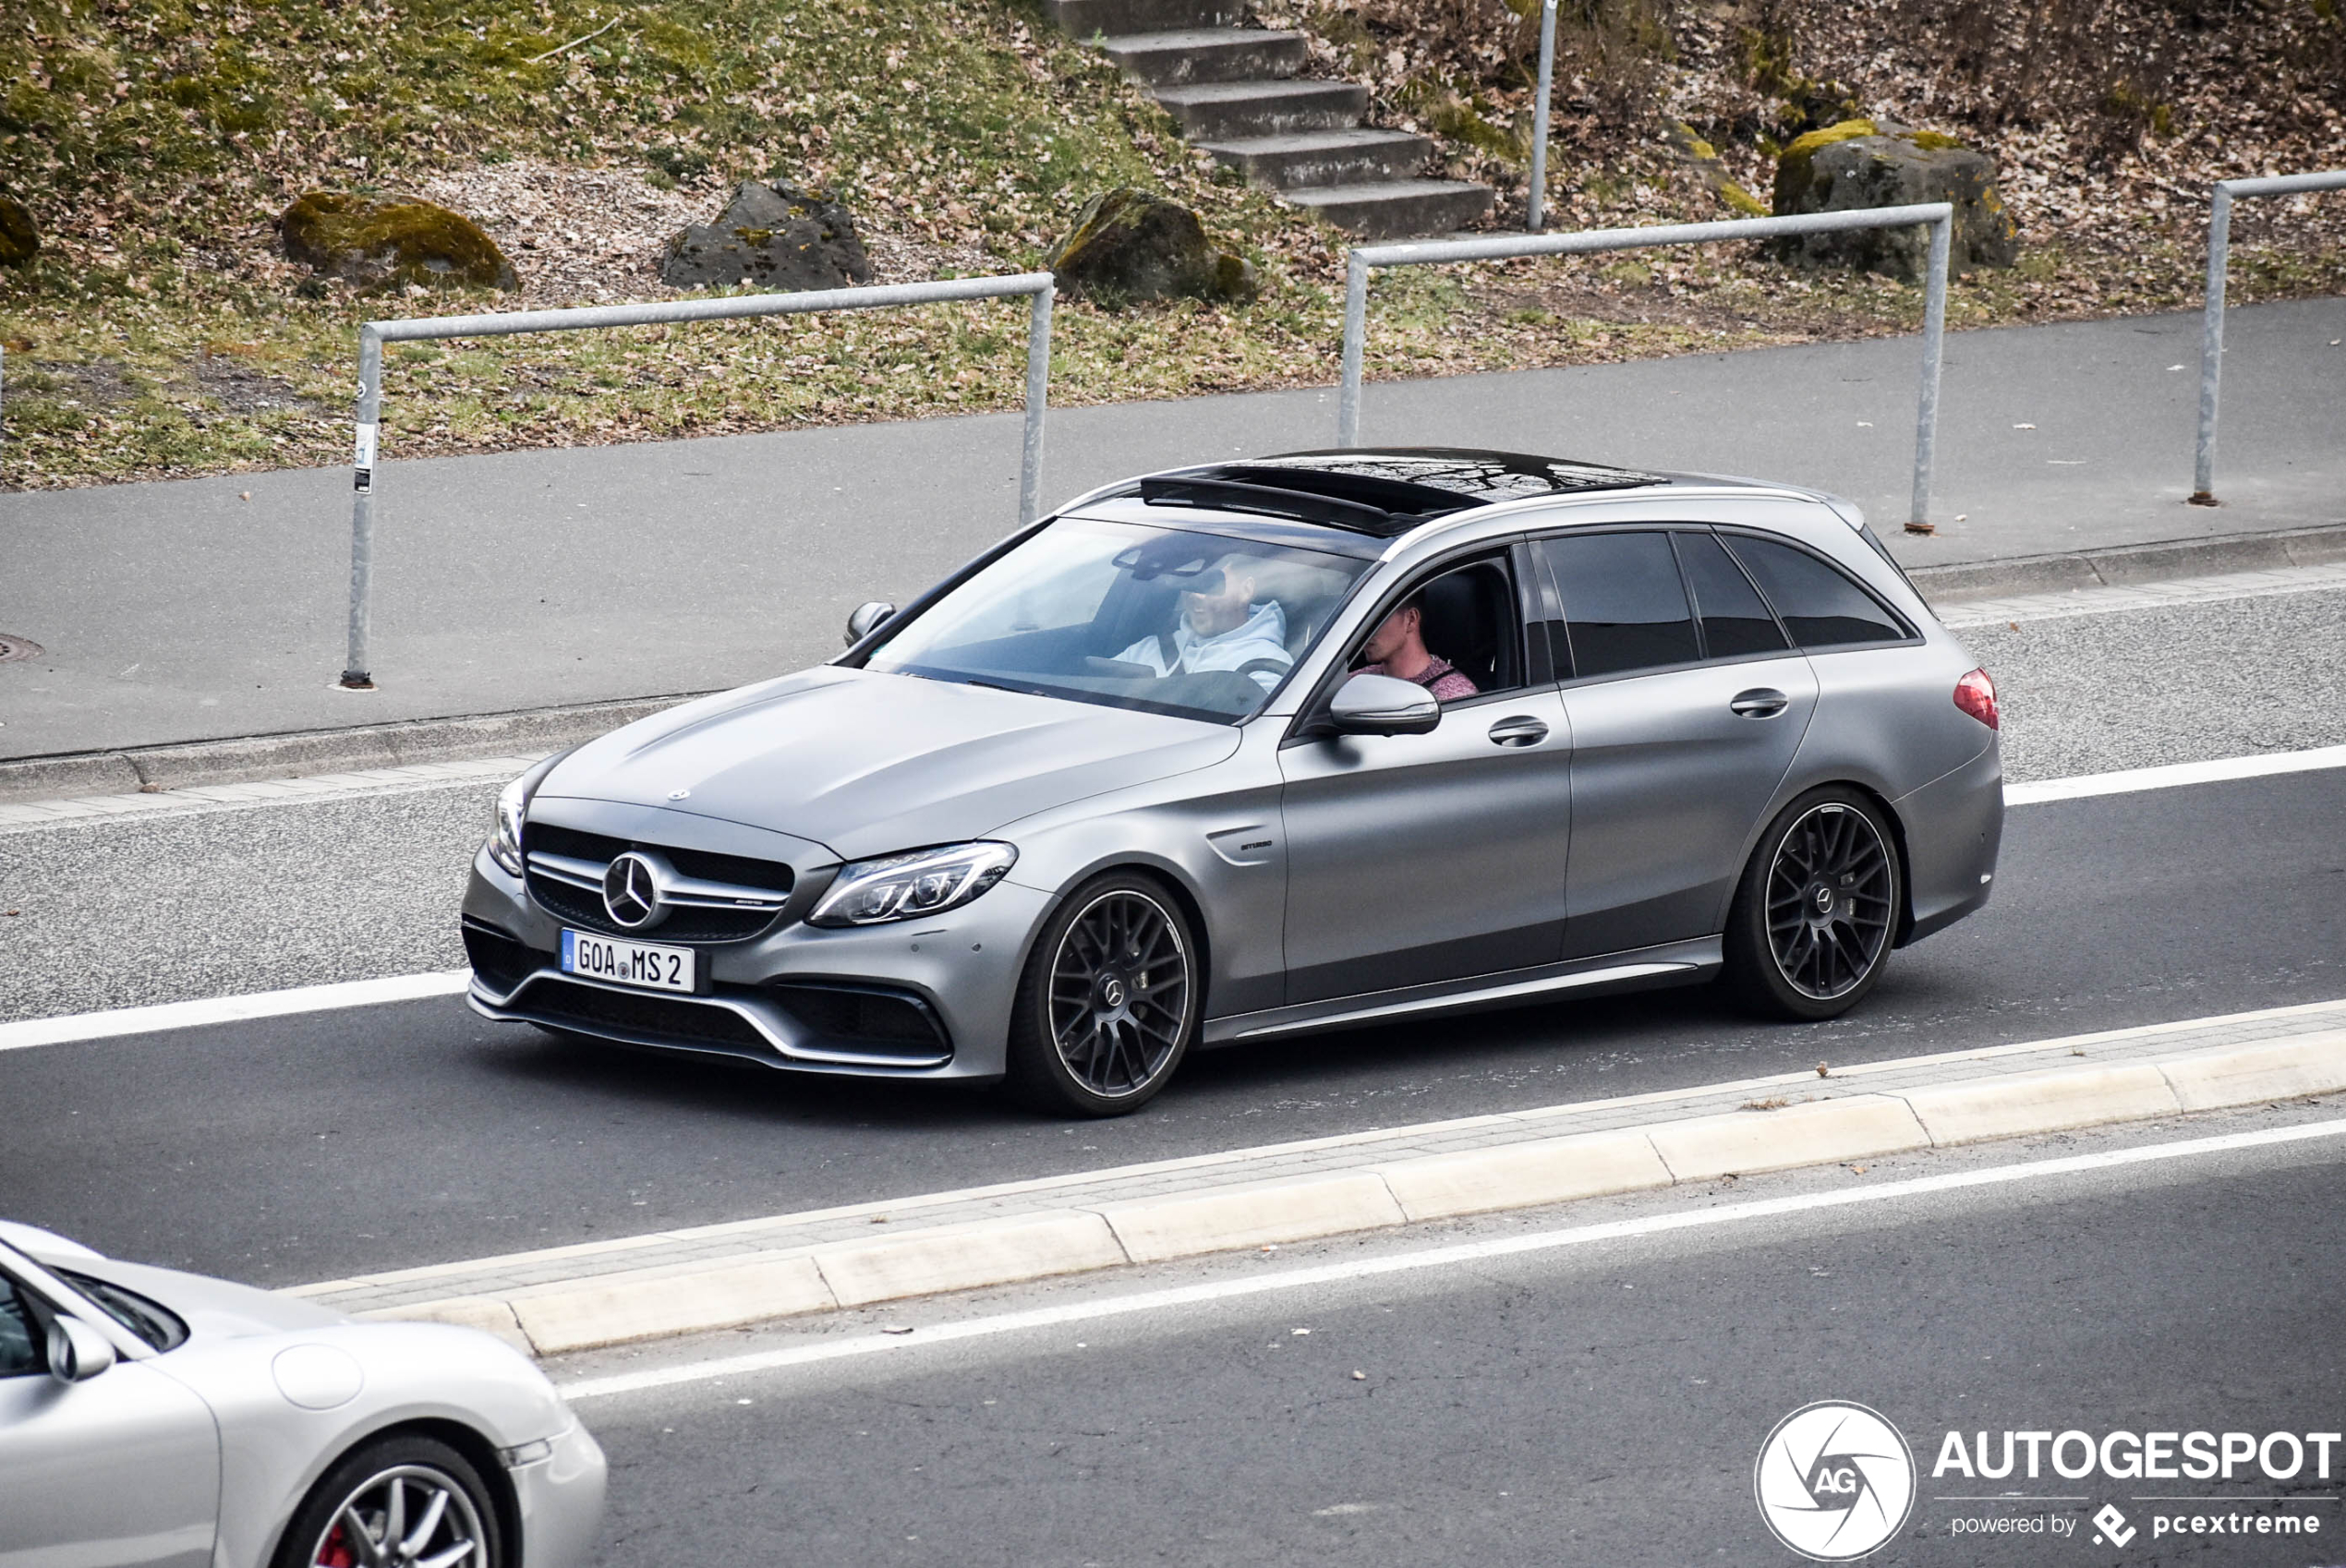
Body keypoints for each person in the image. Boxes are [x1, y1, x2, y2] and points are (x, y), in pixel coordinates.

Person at [1117, 553, 1292, 691]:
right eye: (1191, 582)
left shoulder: (1268, 665)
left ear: (1246, 590)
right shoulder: (1147, 650)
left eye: (1210, 584)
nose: (1195, 595)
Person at [1352, 595, 1478, 701]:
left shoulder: (1450, 695)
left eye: (1376, 619)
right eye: (1363, 620)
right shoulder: (1359, 680)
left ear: (1411, 619)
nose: (1365, 631)